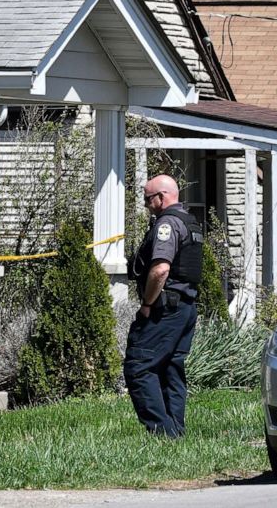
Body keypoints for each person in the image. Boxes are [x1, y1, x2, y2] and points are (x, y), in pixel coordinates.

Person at [125, 174, 203, 438]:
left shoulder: (167, 224)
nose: (147, 205)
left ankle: (162, 433)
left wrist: (147, 304)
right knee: (171, 367)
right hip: (186, 308)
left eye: (148, 199)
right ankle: (175, 433)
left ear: (161, 197)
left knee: (139, 365)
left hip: (165, 308)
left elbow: (160, 270)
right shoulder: (190, 223)